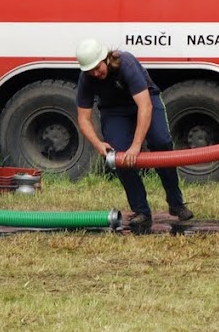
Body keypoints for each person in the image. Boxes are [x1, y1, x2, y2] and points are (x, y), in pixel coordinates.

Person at [74, 39, 193, 234]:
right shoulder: (87, 78)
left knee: (161, 143)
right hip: (114, 110)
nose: (96, 74)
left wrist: (137, 145)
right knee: (120, 155)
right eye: (90, 71)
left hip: (145, 100)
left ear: (106, 58)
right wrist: (98, 144)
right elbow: (83, 118)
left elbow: (145, 106)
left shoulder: (126, 63)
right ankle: (141, 212)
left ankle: (176, 202)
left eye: (97, 68)